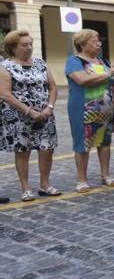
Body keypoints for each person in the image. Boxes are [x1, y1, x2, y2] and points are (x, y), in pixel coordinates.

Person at [0, 30, 60, 200]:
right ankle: (26, 188)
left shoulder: (41, 63)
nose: (29, 48)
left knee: (47, 149)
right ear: (13, 47)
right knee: (22, 151)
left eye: (30, 44)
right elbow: (5, 94)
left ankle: (45, 185)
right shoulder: (6, 66)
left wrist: (49, 107)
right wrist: (29, 111)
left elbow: (53, 87)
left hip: (45, 114)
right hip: (18, 117)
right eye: (24, 45)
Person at [65, 29, 114, 193]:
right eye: (94, 41)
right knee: (83, 143)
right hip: (84, 109)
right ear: (82, 44)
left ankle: (106, 175)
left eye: (99, 40)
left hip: (105, 109)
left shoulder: (102, 61)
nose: (99, 43)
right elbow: (82, 80)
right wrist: (107, 74)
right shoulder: (74, 61)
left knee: (105, 142)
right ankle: (82, 179)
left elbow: (111, 80)